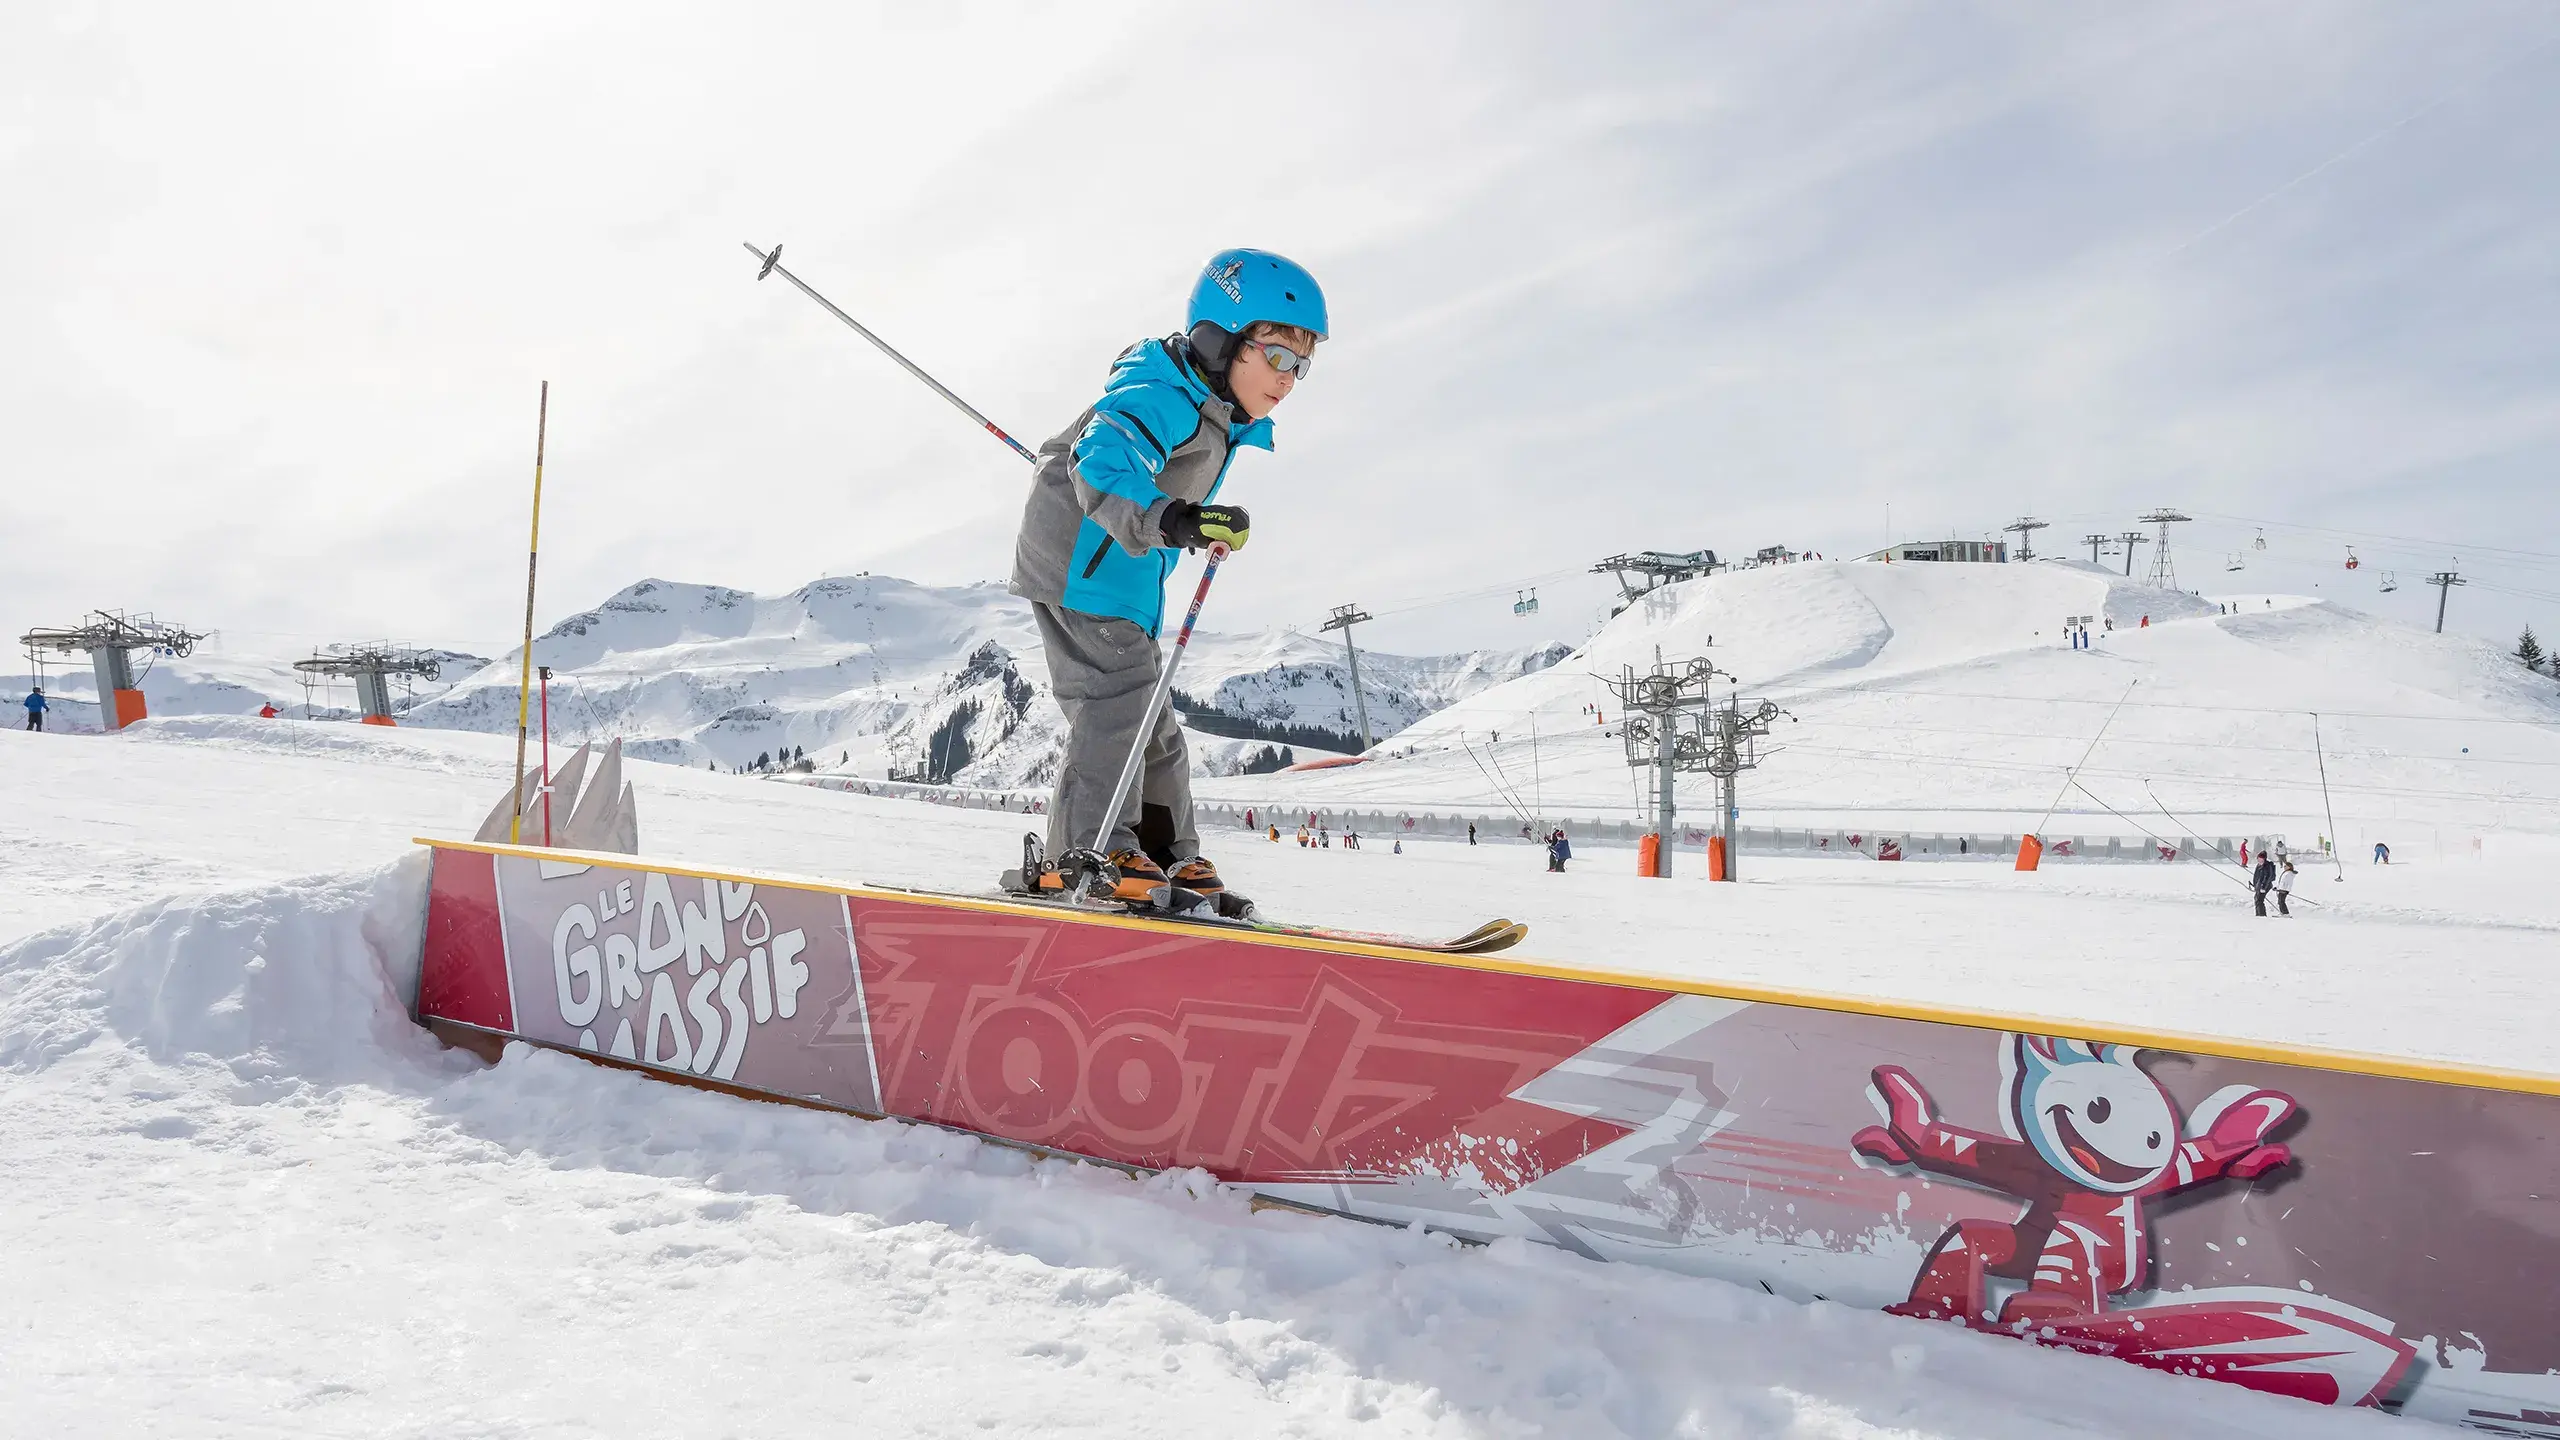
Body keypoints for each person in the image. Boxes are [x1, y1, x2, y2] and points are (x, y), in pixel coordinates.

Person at [1010, 248, 1325, 900]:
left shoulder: (1210, 414)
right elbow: (1101, 461)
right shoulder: (1162, 396)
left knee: (1156, 728)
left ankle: (1167, 857)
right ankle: (1087, 856)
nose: (1290, 377)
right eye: (1277, 356)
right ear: (1222, 340)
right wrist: (1175, 519)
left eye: (1303, 364)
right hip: (1081, 563)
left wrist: (1185, 521)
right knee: (1117, 705)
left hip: (1122, 578)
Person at [2252, 852, 2277, 916]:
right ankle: (2258, 914)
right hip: (2259, 885)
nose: (2260, 860)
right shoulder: (2259, 865)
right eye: (2259, 859)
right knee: (2256, 899)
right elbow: (2256, 876)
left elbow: (2268, 877)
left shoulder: (2267, 866)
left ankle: (2262, 915)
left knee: (2260, 900)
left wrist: (2263, 887)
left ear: (2264, 859)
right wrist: (2255, 885)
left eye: (2261, 859)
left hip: (2266, 886)